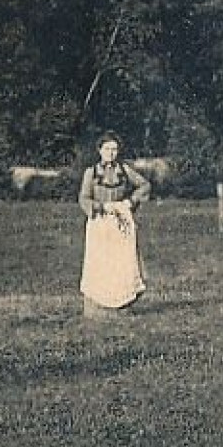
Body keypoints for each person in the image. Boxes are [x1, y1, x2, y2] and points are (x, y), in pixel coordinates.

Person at [77, 131, 151, 316]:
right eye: (107, 149)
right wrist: (99, 207)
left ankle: (122, 303)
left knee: (122, 260)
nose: (111, 153)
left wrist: (130, 202)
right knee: (101, 260)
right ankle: (98, 306)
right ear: (99, 150)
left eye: (115, 149)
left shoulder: (124, 170)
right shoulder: (91, 172)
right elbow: (83, 198)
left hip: (121, 220)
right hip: (100, 221)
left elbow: (145, 185)